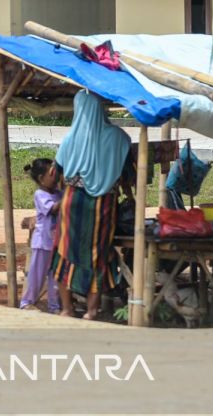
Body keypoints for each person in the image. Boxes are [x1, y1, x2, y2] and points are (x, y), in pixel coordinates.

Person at [51, 90, 135, 319]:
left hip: (71, 203)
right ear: (101, 108)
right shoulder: (119, 138)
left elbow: (55, 174)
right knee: (96, 255)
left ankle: (67, 309)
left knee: (65, 253)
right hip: (102, 205)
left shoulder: (68, 140)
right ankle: (91, 311)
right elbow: (129, 176)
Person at [20, 158, 62, 313]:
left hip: (56, 243)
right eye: (52, 174)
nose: (55, 176)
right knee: (36, 275)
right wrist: (69, 195)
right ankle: (26, 302)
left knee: (55, 277)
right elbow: (53, 209)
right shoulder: (40, 194)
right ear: (41, 179)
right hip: (43, 243)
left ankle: (54, 305)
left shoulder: (59, 193)